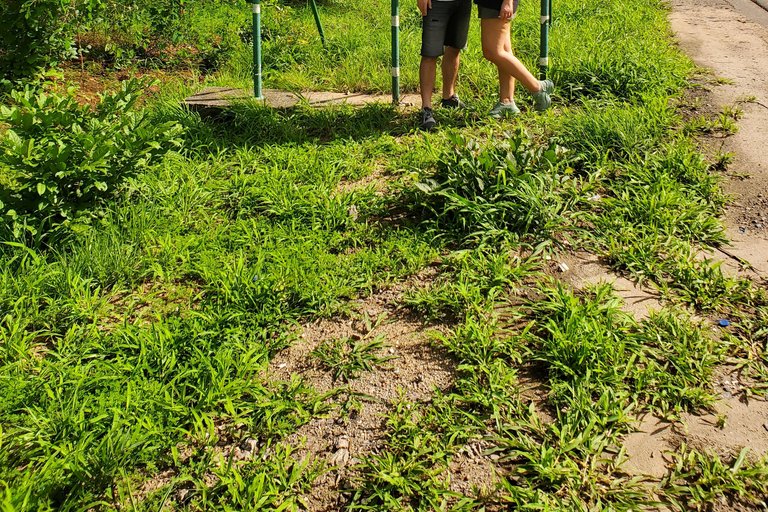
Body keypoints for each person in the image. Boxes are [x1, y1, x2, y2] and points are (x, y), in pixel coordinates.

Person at [476, 0, 553, 117]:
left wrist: (507, 2)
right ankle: (506, 102)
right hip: (494, 4)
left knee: (493, 52)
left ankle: (537, 87)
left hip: (498, 3)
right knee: (504, 50)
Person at [418, 0, 472, 131]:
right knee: (430, 54)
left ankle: (448, 98)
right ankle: (426, 108)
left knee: (455, 47)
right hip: (436, 3)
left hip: (463, 3)